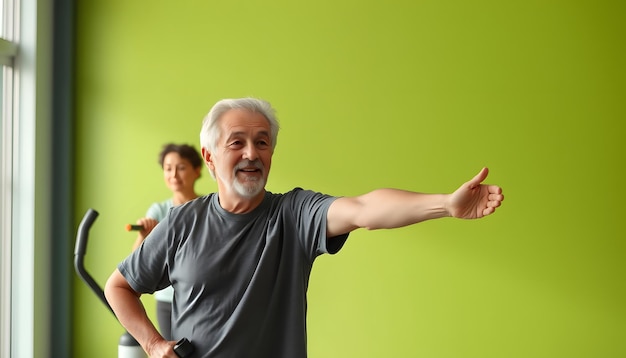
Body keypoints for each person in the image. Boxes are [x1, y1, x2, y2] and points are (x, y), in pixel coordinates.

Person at [105, 97, 504, 358]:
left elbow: (365, 208)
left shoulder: (293, 214)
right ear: (209, 157)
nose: (252, 153)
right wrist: (153, 344)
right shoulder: (181, 223)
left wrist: (445, 205)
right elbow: (119, 286)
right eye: (237, 142)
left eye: (262, 143)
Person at [130, 143, 203, 341]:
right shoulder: (158, 211)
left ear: (197, 171)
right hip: (167, 301)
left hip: (200, 297)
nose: (174, 175)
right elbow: (136, 264)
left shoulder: (209, 209)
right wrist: (144, 236)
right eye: (168, 168)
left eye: (181, 168)